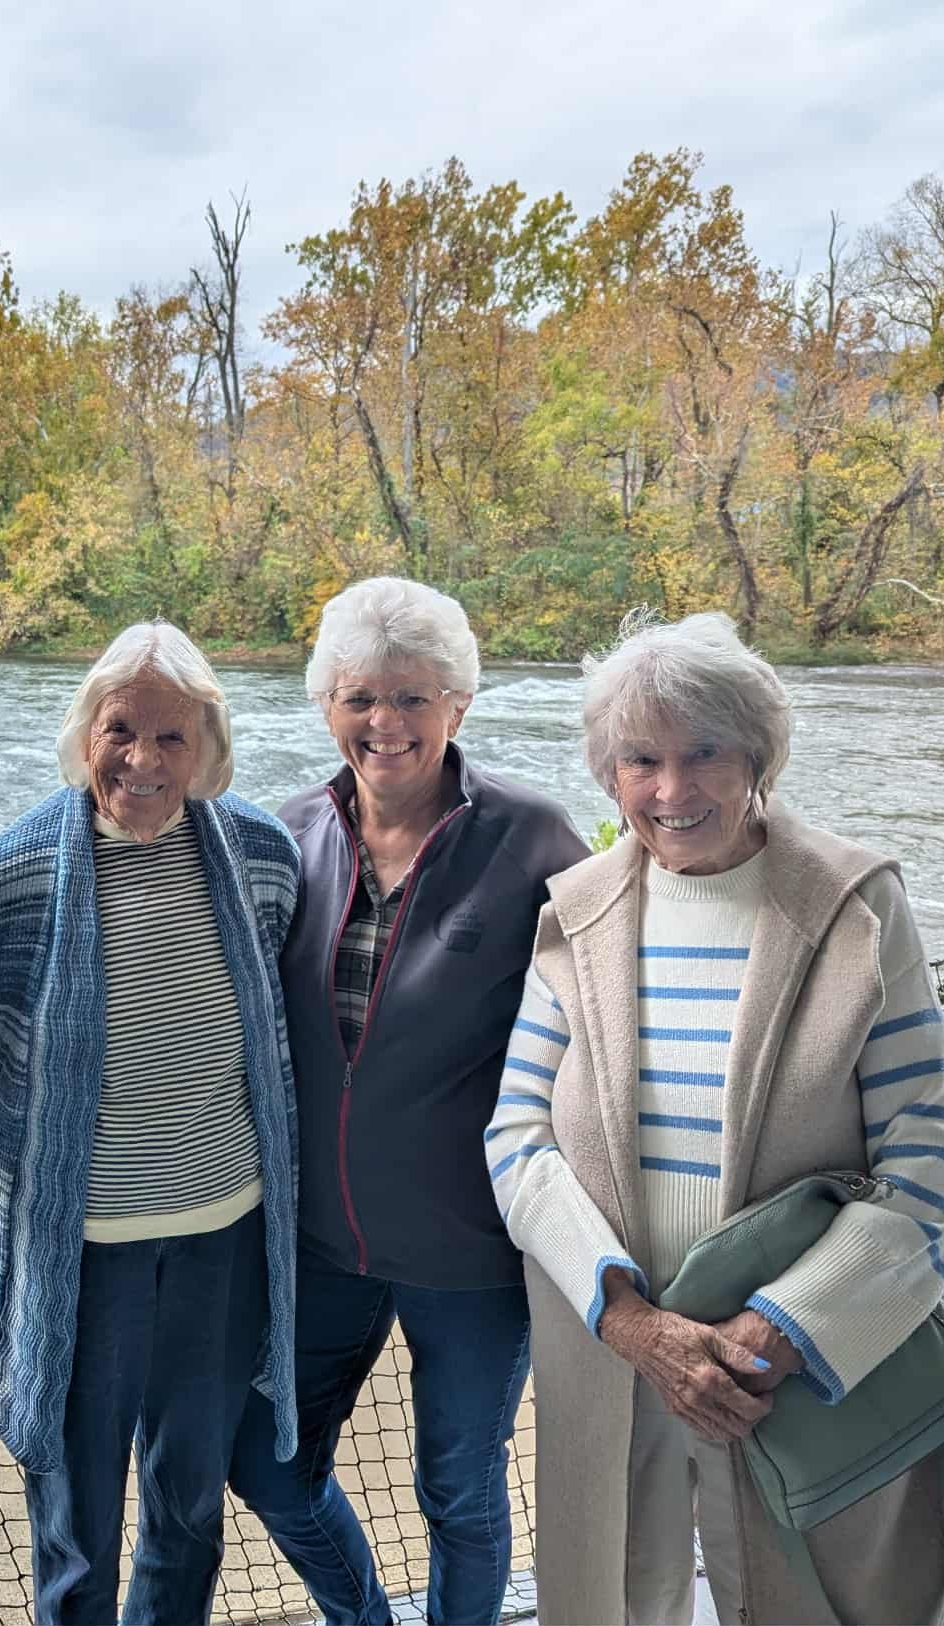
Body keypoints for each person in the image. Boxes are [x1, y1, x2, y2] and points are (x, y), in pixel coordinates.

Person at [487, 609, 944, 1625]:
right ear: (607, 773)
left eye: (704, 751)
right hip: (616, 1352)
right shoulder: (575, 914)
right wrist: (631, 1322)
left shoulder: (855, 907)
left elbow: (933, 1160)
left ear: (758, 751)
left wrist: (777, 1334)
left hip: (800, 1367)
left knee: (827, 1597)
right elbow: (516, 1141)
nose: (672, 790)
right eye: (641, 759)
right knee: (615, 1596)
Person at [227, 577, 588, 1626]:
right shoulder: (285, 834)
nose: (385, 723)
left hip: (474, 1252)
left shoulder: (532, 841)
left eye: (414, 697)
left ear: (460, 704)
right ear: (325, 704)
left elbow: (611, 1008)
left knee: (460, 1491)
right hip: (319, 1244)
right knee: (266, 1462)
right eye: (360, 697)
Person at [0, 622, 301, 1625]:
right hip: (85, 1254)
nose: (142, 762)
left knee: (190, 1507)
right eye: (120, 733)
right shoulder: (9, 878)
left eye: (171, 739)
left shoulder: (263, 858)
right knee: (74, 1524)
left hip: (221, 1240)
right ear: (84, 736)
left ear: (210, 750)